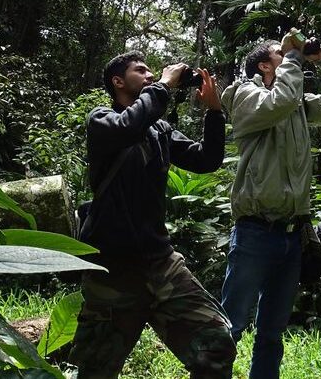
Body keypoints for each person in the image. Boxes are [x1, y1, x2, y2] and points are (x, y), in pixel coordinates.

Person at [70, 52, 236, 379]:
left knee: (216, 343)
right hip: (112, 270)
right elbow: (127, 126)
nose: (148, 75)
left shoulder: (159, 130)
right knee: (95, 370)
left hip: (162, 263)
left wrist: (214, 111)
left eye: (151, 71)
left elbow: (206, 160)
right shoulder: (102, 120)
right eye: (140, 70)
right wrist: (163, 84)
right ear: (118, 81)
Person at [219, 31, 321, 379]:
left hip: (293, 234)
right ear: (266, 65)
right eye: (281, 54)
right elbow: (276, 103)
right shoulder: (244, 95)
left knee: (272, 333)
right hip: (254, 231)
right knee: (231, 326)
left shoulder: (295, 101)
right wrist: (294, 59)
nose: (291, 56)